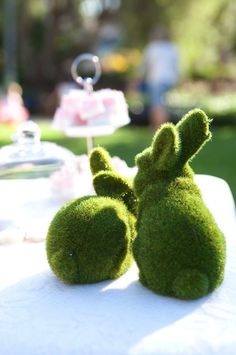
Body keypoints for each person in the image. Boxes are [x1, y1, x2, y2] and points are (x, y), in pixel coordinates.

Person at [139, 26, 179, 129]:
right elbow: (177, 67)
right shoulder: (172, 48)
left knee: (157, 104)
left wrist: (138, 78)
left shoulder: (152, 48)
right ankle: (160, 126)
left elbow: (144, 66)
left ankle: (159, 127)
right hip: (169, 80)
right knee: (162, 104)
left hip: (156, 80)